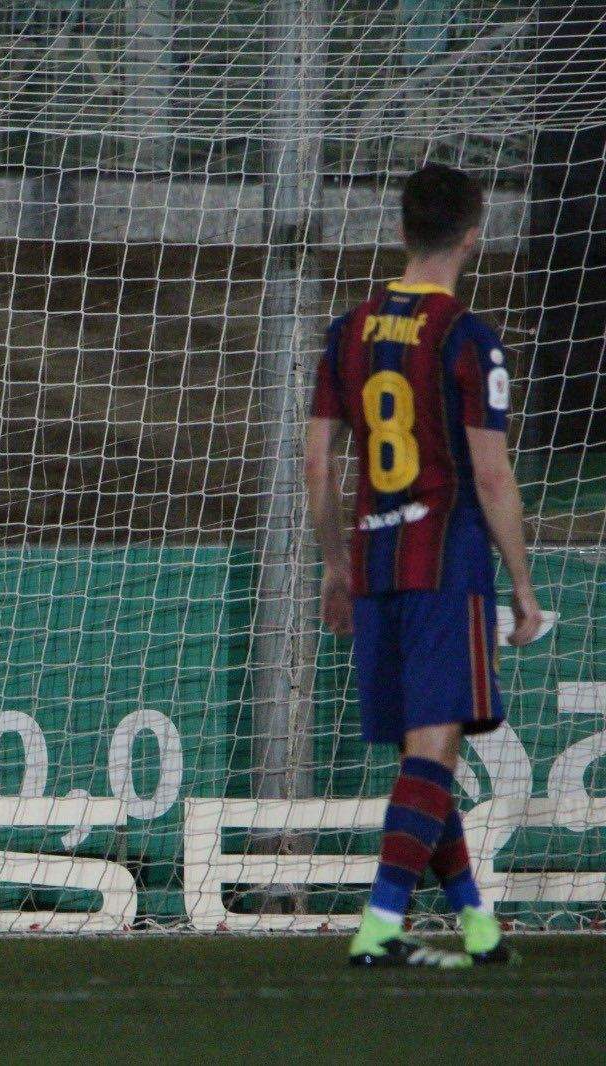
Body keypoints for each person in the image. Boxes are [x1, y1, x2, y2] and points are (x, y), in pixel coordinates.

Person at [306, 162, 541, 968]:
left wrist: (336, 565)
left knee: (426, 757)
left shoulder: (347, 331)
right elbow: (491, 475)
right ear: (473, 234)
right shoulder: (469, 339)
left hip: (375, 562)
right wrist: (522, 586)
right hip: (446, 563)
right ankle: (380, 922)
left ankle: (476, 922)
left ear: (402, 229)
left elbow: (316, 463)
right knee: (433, 753)